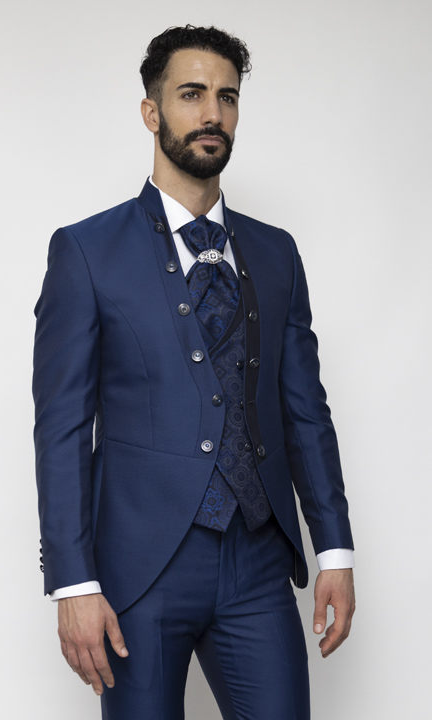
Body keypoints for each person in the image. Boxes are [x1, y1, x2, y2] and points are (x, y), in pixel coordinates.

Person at [33, 24, 355, 720]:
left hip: (259, 564)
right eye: (191, 94)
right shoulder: (86, 252)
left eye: (227, 97)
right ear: (151, 112)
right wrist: (73, 583)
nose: (212, 113)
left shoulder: (276, 252)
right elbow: (61, 429)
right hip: (138, 570)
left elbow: (305, 411)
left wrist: (335, 551)